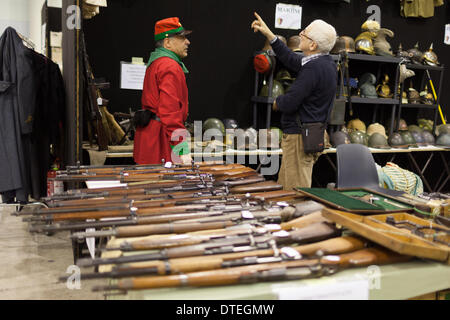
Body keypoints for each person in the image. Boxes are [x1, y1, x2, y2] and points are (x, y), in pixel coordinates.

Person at [251, 12, 337, 190]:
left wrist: (277, 102)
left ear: (313, 44)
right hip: (309, 134)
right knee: (292, 187)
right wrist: (270, 35)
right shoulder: (324, 62)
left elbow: (291, 101)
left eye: (304, 33)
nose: (300, 35)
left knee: (293, 192)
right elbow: (291, 58)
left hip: (299, 137)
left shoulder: (314, 68)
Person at [133, 17, 193, 165]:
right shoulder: (169, 66)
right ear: (167, 42)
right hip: (160, 143)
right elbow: (169, 111)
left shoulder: (157, 62)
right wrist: (181, 149)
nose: (187, 42)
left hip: (150, 139)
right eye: (182, 37)